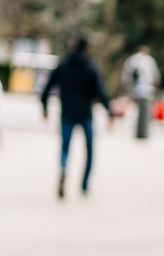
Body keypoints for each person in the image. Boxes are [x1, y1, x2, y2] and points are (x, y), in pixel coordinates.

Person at [40, 36, 111, 198]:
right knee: (89, 150)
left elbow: (49, 86)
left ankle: (64, 169)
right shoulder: (91, 67)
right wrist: (109, 111)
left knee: (65, 148)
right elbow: (100, 91)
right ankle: (84, 184)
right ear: (87, 48)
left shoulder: (64, 65)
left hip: (67, 113)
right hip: (86, 114)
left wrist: (44, 105)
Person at [122, 44, 159, 139]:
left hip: (135, 89)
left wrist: (127, 88)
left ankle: (138, 133)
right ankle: (144, 133)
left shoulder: (132, 60)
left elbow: (126, 75)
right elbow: (155, 75)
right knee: (145, 112)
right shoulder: (149, 60)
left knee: (137, 112)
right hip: (147, 88)